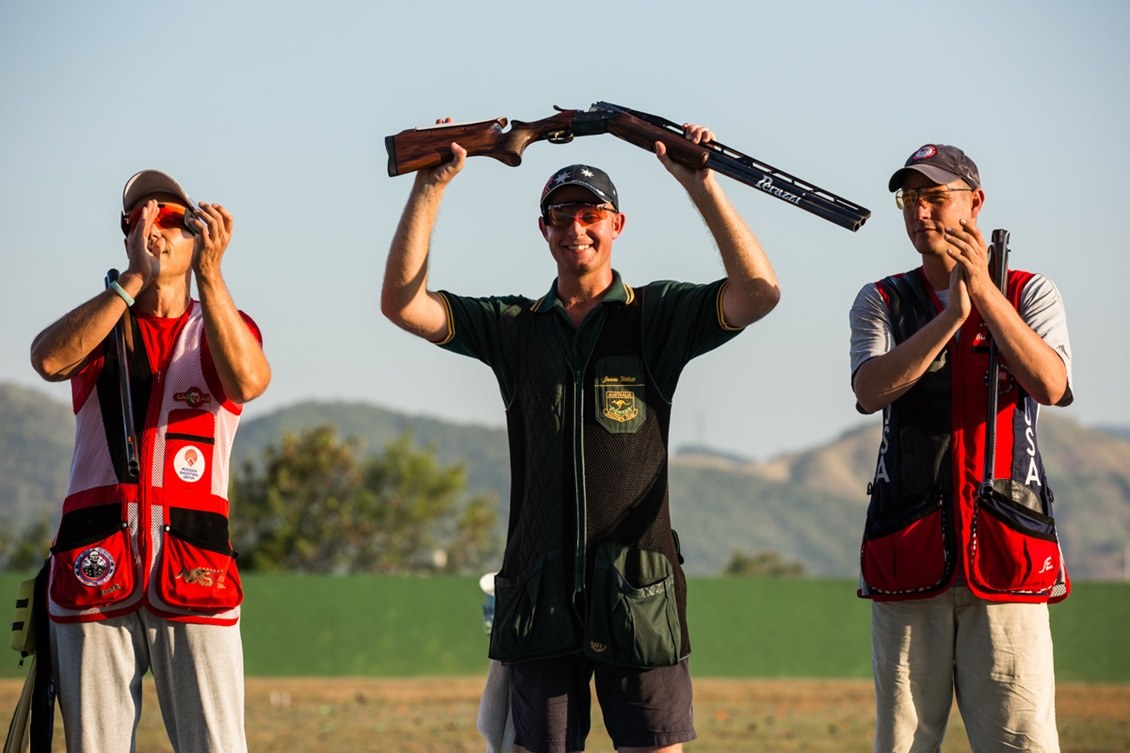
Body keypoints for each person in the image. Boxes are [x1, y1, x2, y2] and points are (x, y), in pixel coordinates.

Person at [382, 123, 780, 753]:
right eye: (560, 216)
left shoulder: (658, 315)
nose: (576, 229)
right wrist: (430, 187)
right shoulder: (514, 326)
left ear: (618, 225)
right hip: (539, 598)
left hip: (639, 594)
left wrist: (701, 183)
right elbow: (403, 306)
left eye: (591, 214)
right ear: (543, 231)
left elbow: (758, 293)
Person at [29, 169, 270, 752]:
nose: (153, 231)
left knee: (216, 745)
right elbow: (48, 359)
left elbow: (248, 379)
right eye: (137, 221)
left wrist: (211, 275)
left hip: (195, 569)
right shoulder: (101, 322)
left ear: (195, 236)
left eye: (169, 219)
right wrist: (133, 279)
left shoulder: (222, 326)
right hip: (94, 570)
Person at [850, 144, 1073, 753]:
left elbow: (1051, 385)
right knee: (900, 745)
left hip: (1008, 553)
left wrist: (986, 299)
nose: (921, 211)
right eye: (909, 198)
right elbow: (871, 391)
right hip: (907, 551)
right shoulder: (883, 299)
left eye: (935, 197)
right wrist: (952, 318)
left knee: (1021, 744)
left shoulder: (1032, 291)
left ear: (975, 203)